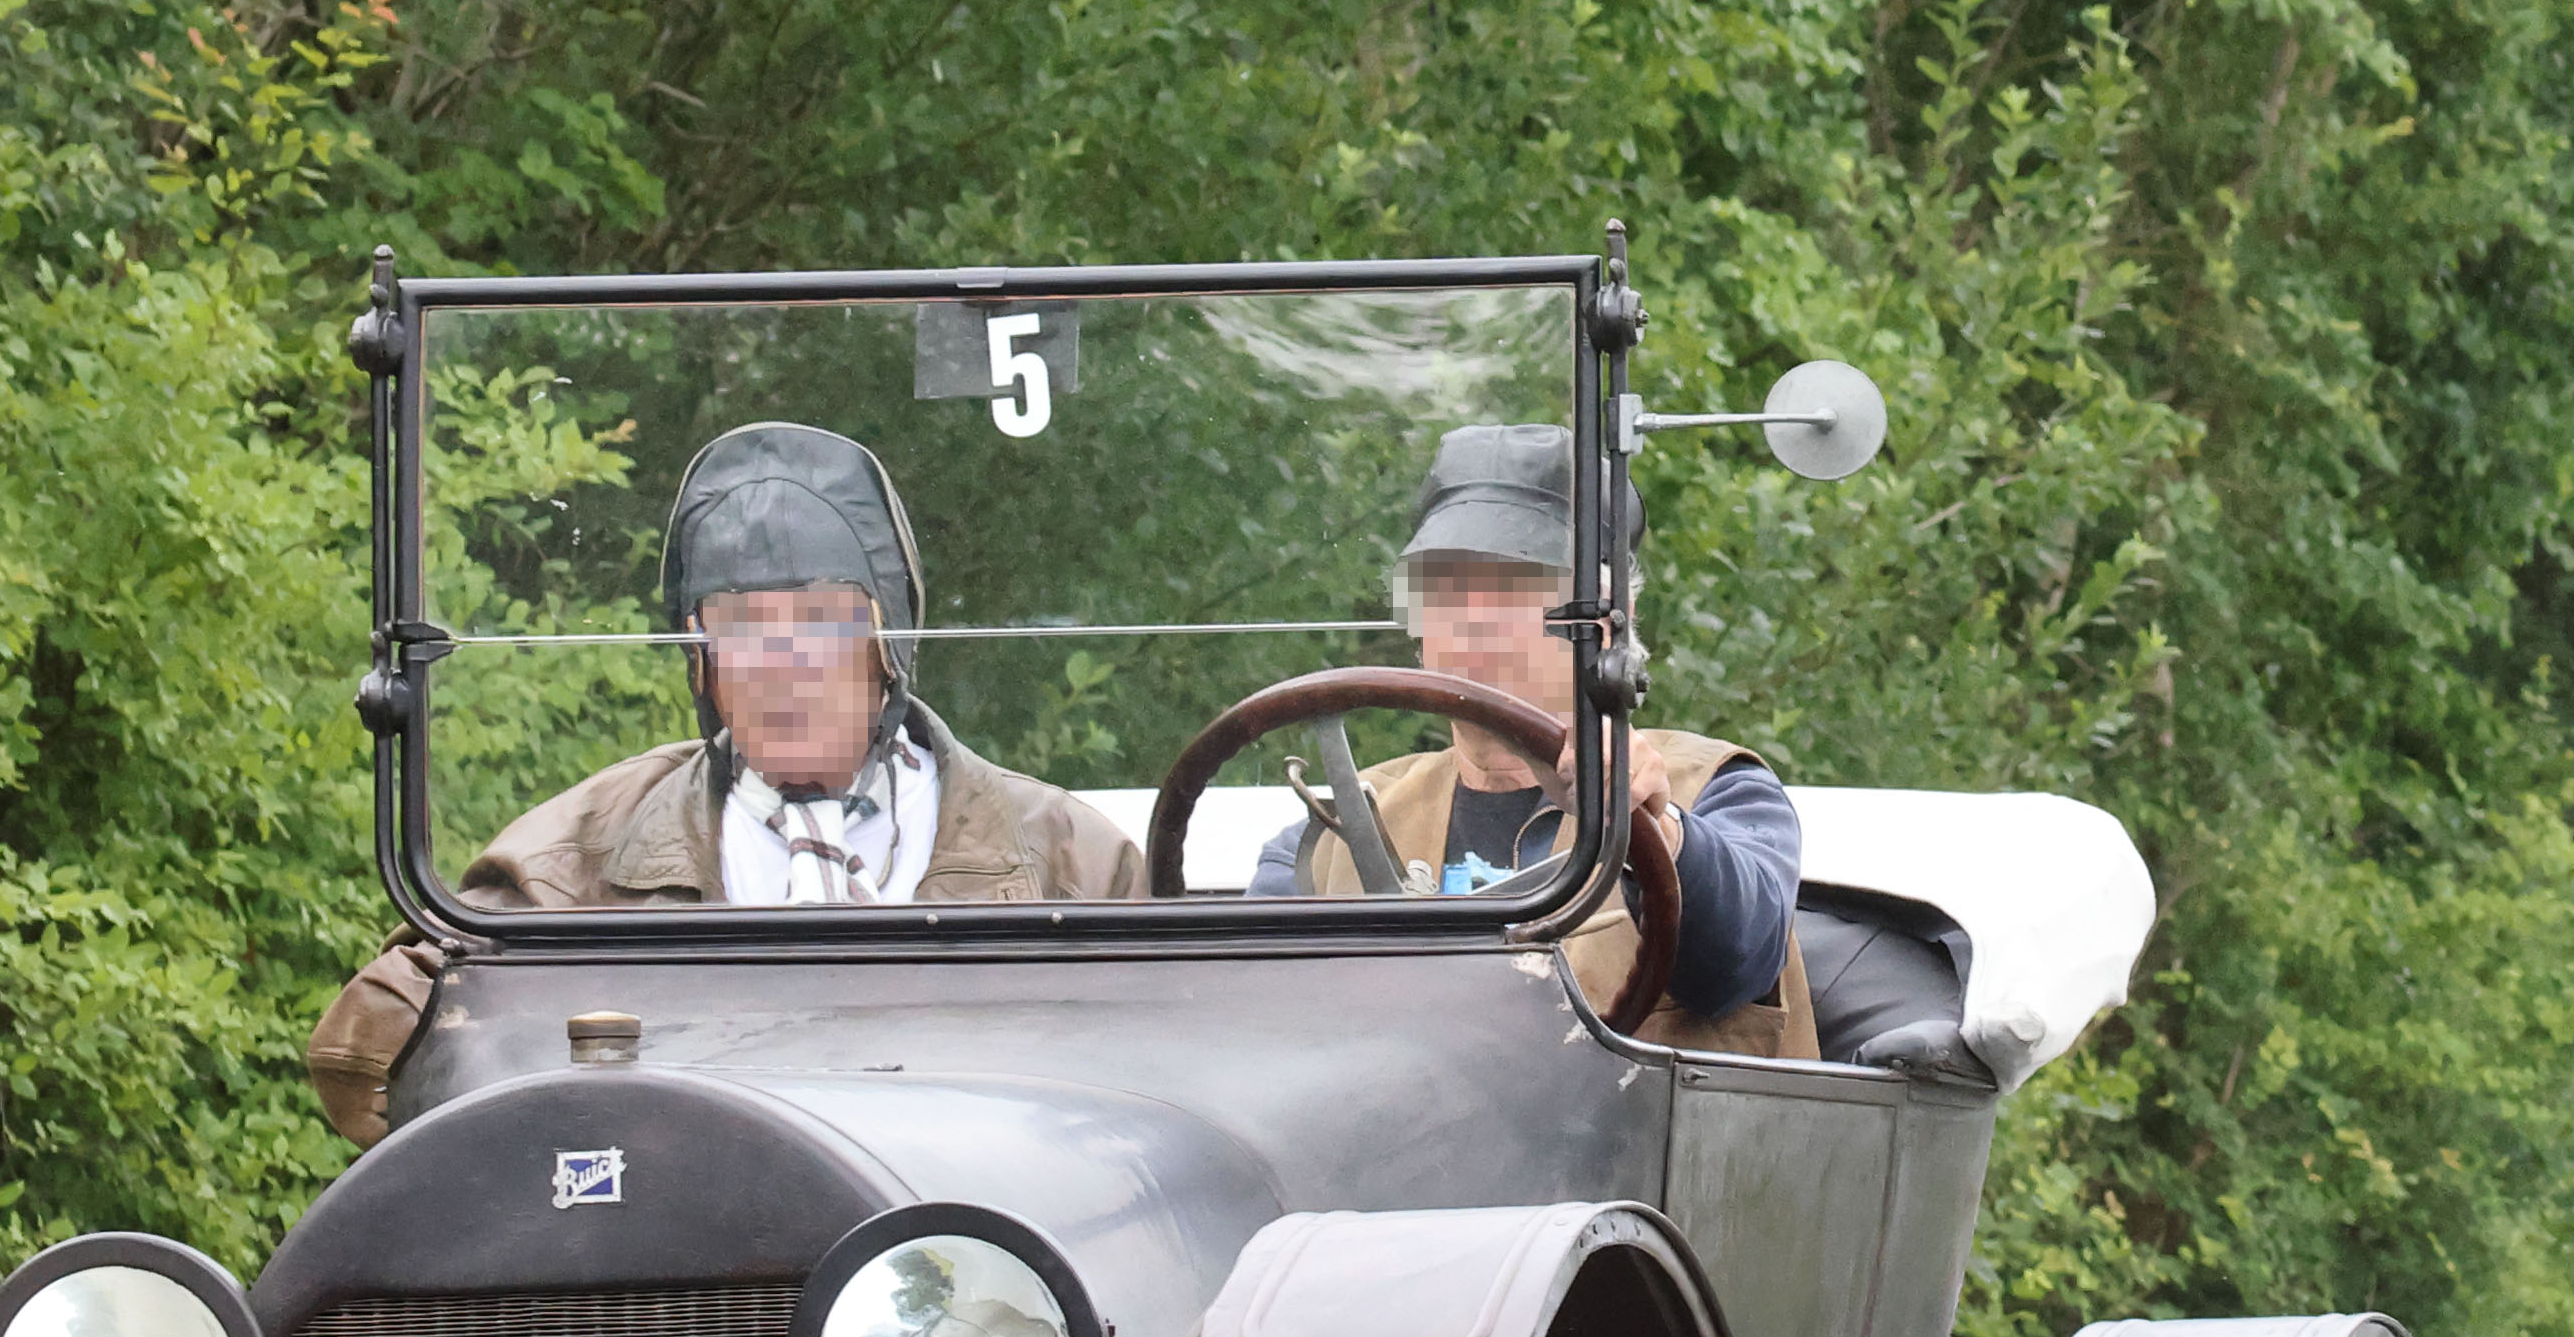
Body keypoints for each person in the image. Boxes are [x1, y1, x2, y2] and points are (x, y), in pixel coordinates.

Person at [306, 422, 1144, 1143]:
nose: (783, 664)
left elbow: (1162, 1084)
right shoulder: (582, 852)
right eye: (742, 627)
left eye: (820, 622)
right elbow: (366, 1059)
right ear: (700, 656)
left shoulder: (1066, 856)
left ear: (887, 644)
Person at [1257, 423, 1814, 1056]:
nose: (1471, 618)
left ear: (1604, 624)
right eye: (1442, 590)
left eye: (1512, 590)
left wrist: (1652, 825)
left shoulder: (1718, 787)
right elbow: (1242, 1017)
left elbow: (1739, 958)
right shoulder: (1336, 828)